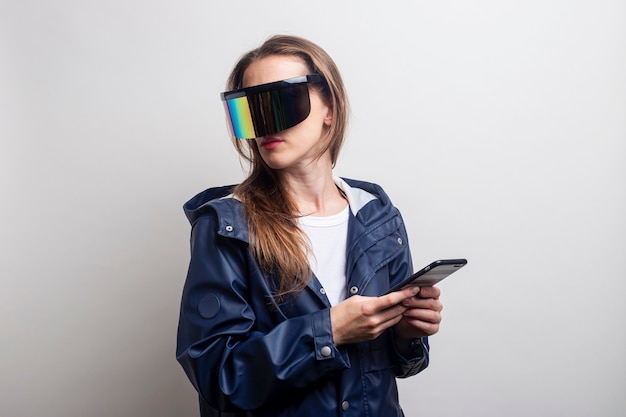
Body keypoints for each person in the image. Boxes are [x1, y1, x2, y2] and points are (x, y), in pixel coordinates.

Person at [176, 34, 443, 417]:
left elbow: (402, 365)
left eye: (282, 102)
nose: (266, 124)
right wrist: (330, 330)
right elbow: (219, 378)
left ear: (329, 108)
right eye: (250, 110)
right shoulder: (227, 226)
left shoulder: (377, 215)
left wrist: (406, 334)